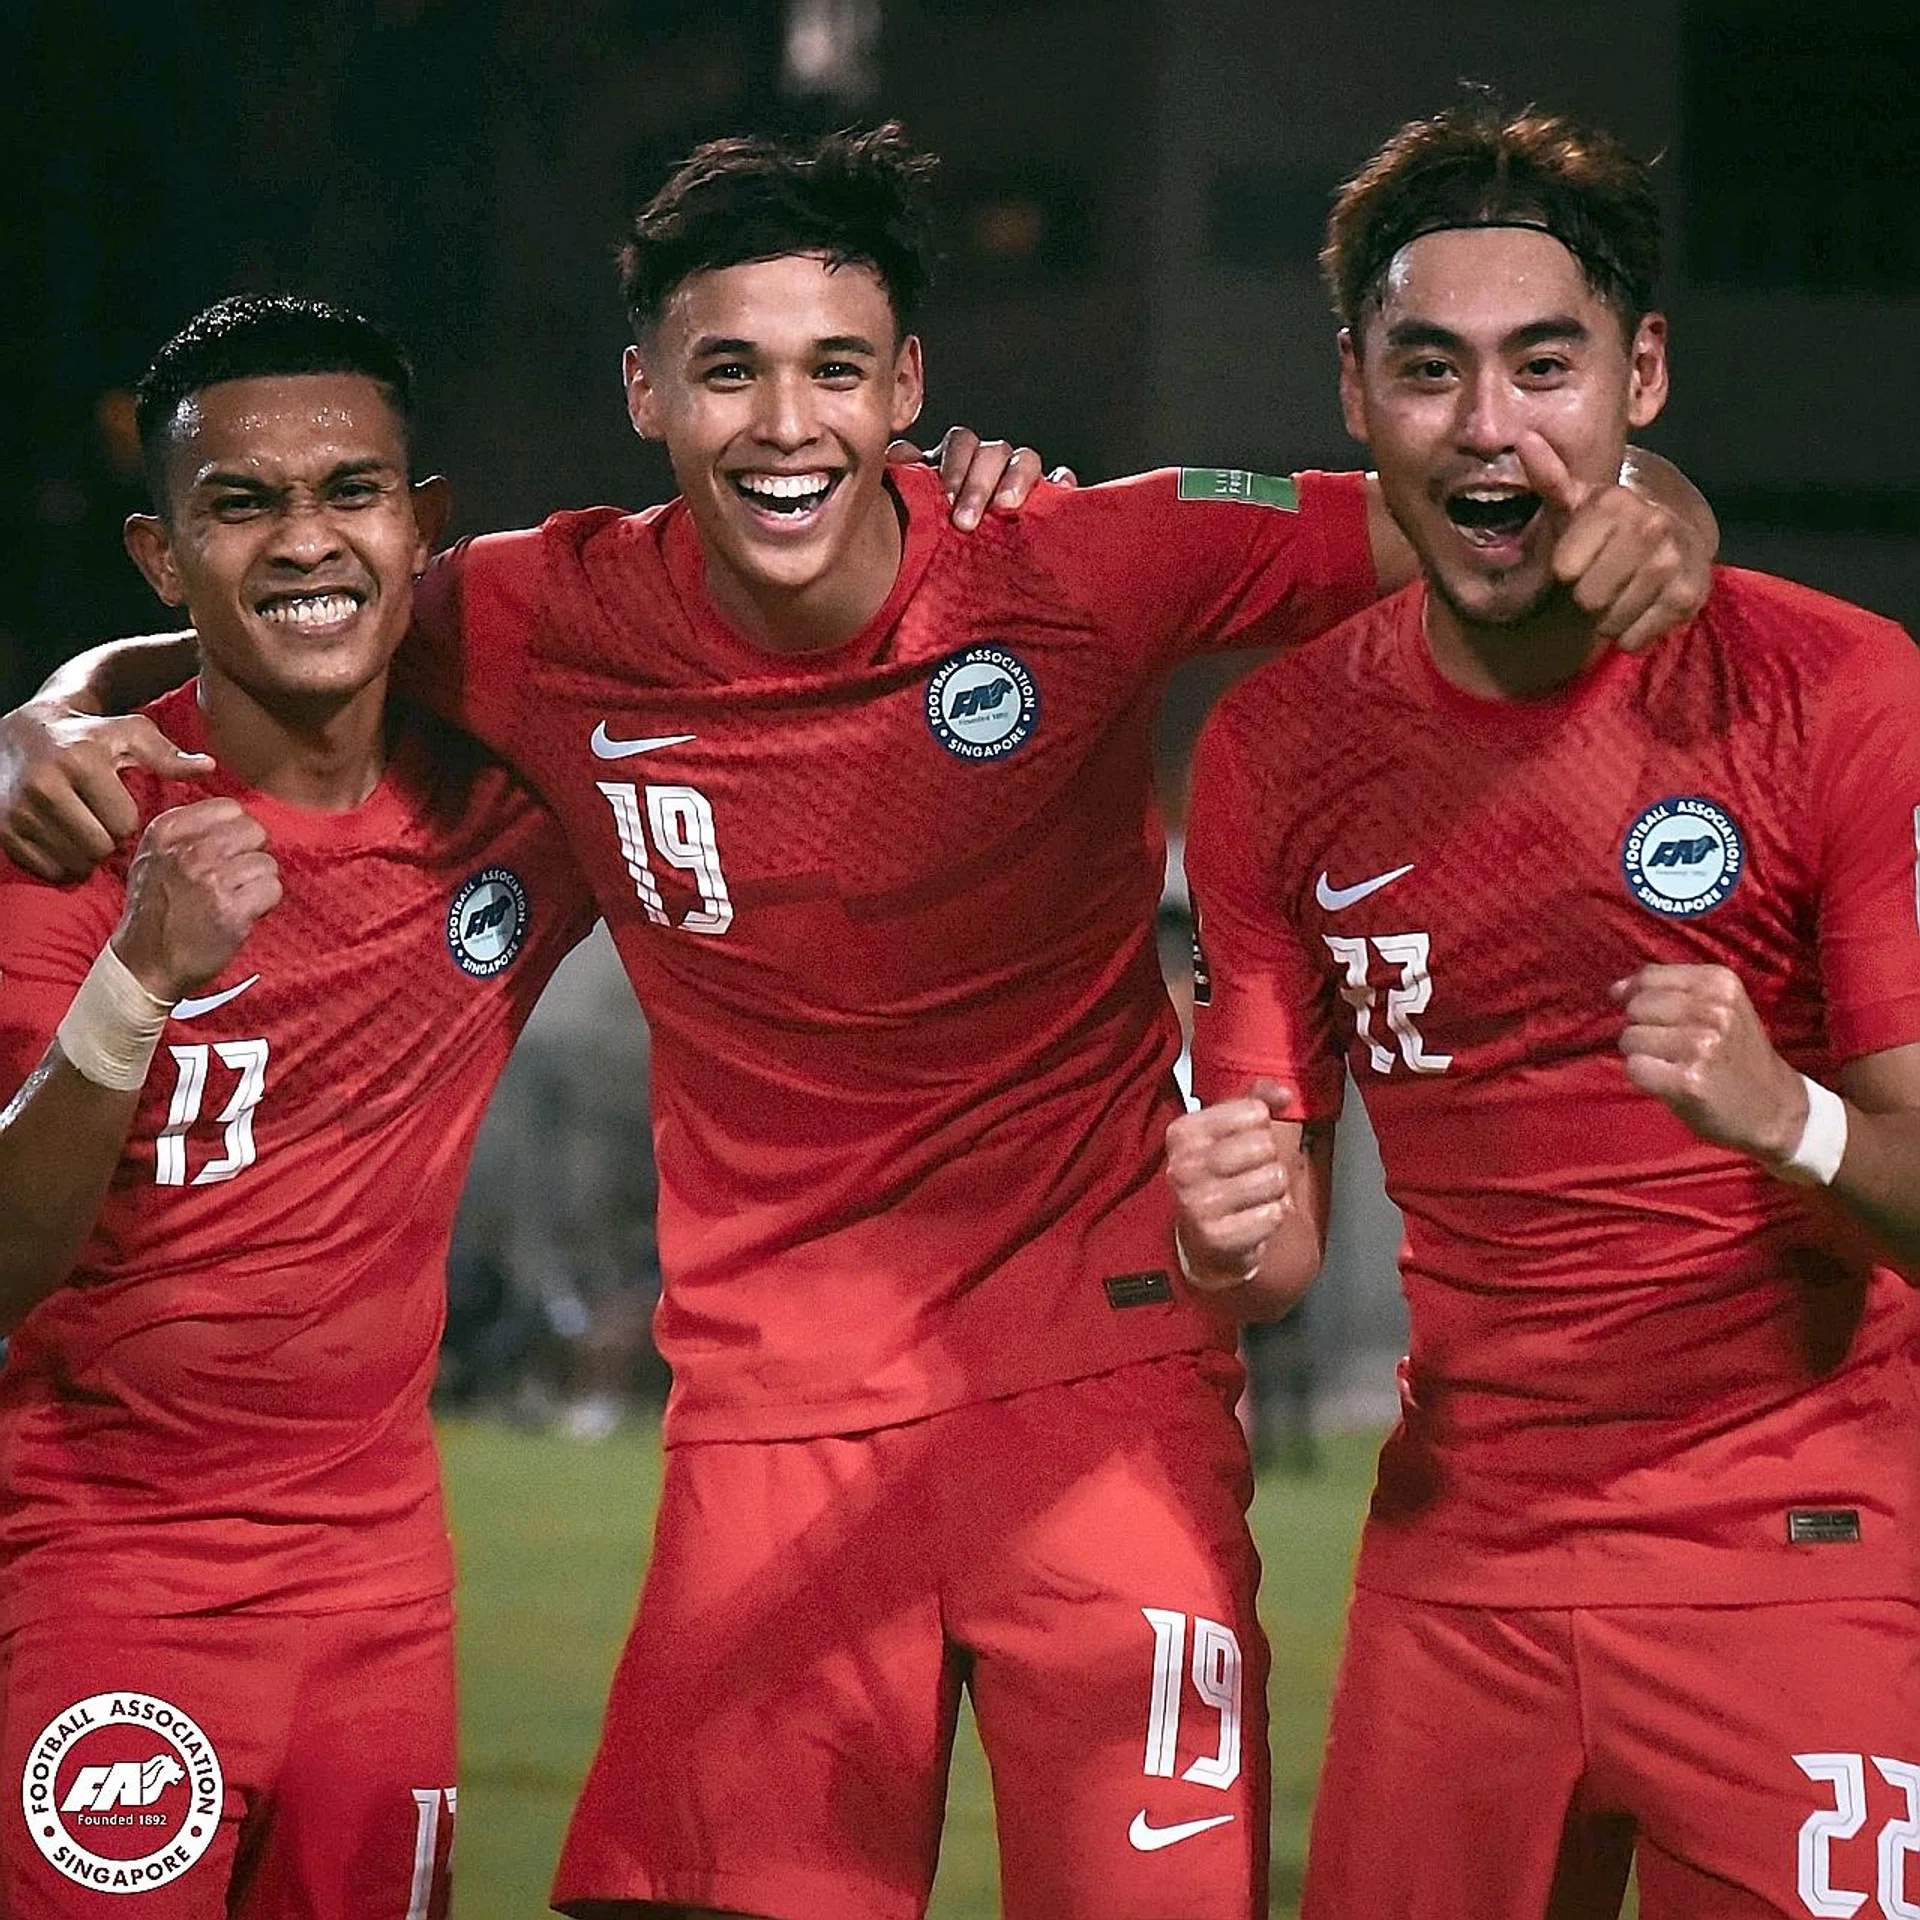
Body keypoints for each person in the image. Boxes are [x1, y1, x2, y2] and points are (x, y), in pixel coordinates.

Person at [1, 126, 1714, 1920]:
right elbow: (284, 604)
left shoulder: (1084, 559)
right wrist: (46, 714)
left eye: (835, 369)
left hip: (1102, 1388)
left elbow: (1478, 505)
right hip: (777, 1415)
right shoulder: (533, 613)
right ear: (646, 388)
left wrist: (1665, 502)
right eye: (729, 370)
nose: (785, 423)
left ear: (909, 384)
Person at [1168, 100, 1920, 1920]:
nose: (1489, 424)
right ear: (1356, 394)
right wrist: (1216, 1231)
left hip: (1794, 1551)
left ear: (1640, 374)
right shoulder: (1275, 752)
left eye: (1544, 364)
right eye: (1431, 370)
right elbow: (1270, 1245)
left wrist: (1787, 1115)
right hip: (1462, 1567)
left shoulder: (1835, 689)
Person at [0, 295, 601, 1916]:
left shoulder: (513, 825)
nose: (304, 541)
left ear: (425, 527)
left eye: (351, 490)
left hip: (380, 1605)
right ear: (160, 550)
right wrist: (136, 981)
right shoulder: (60, 837)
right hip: (106, 1580)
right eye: (240, 503)